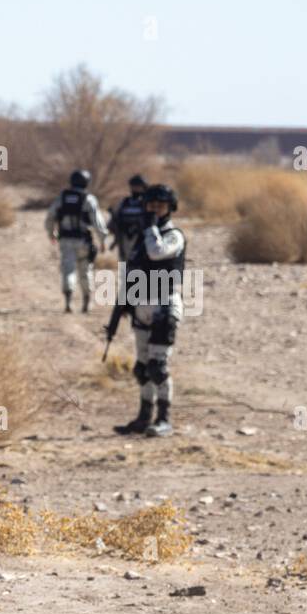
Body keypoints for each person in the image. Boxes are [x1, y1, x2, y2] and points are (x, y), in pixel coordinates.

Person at [110, 183, 186, 438]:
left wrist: (150, 228)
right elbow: (133, 269)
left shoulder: (173, 235)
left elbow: (157, 253)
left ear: (170, 208)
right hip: (141, 305)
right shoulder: (143, 237)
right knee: (142, 368)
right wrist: (124, 302)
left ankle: (164, 419)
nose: (154, 210)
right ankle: (144, 417)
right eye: (150, 206)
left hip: (164, 305)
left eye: (160, 206)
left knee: (157, 367)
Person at [45, 169, 109, 313]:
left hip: (65, 241)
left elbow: (50, 217)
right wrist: (103, 240)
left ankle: (68, 302)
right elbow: (98, 222)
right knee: (85, 270)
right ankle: (86, 302)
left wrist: (51, 233)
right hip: (83, 241)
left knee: (68, 270)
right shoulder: (89, 199)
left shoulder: (62, 197)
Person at [109, 174, 149, 262]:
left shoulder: (146, 203)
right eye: (133, 186)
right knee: (123, 264)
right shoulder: (125, 202)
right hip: (124, 237)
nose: (135, 189)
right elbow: (115, 219)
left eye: (138, 187)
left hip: (141, 238)